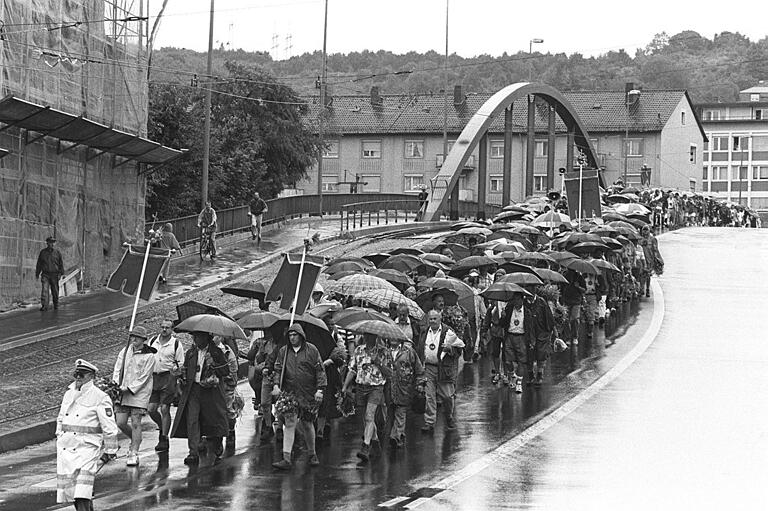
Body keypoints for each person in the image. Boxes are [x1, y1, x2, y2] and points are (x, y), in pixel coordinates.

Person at [56, 359, 118, 511]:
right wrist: (59, 435)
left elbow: (109, 426)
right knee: (75, 493)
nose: (78, 377)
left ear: (91, 376)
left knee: (82, 492)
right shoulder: (69, 393)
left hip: (86, 449)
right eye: (76, 374)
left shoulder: (100, 397)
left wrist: (110, 450)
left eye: (82, 374)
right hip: (67, 450)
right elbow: (61, 416)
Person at [271, 324, 326, 470]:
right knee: (290, 423)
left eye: (295, 335)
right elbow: (277, 369)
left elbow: (320, 370)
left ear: (301, 335)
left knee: (307, 424)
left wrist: (320, 389)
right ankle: (286, 458)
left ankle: (312, 454)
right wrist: (276, 385)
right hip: (290, 393)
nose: (292, 337)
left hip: (308, 393)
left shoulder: (312, 350)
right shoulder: (284, 351)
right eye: (290, 335)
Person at [171, 331, 230, 466]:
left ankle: (217, 444)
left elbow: (225, 371)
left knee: (213, 419)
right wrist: (181, 374)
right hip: (194, 390)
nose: (196, 339)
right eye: (194, 337)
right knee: (192, 420)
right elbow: (186, 370)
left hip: (210, 391)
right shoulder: (191, 353)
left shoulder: (216, 352)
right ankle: (193, 452)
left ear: (206, 338)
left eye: (198, 337)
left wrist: (213, 363)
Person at [342, 332, 393, 462]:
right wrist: (345, 386)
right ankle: (375, 441)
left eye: (371, 335)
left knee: (369, 416)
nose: (368, 338)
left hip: (376, 387)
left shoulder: (384, 352)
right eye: (366, 335)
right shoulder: (359, 350)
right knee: (364, 418)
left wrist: (378, 362)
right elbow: (352, 369)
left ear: (377, 337)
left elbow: (390, 373)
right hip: (360, 386)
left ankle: (365, 446)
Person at [112, 326, 156, 466]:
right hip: (122, 394)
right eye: (132, 337)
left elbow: (145, 377)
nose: (134, 340)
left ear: (143, 340)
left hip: (138, 394)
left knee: (136, 421)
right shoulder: (124, 352)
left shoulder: (149, 356)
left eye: (137, 337)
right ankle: (135, 439)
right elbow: (117, 369)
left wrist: (130, 388)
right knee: (120, 422)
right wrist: (115, 386)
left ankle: (134, 452)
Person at [416, 310, 464, 432]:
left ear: (440, 319)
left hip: (444, 369)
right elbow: (420, 348)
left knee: (447, 396)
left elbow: (459, 350)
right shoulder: (425, 331)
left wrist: (450, 349)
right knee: (429, 396)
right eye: (430, 319)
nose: (432, 321)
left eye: (434, 319)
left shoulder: (448, 331)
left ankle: (448, 416)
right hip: (428, 368)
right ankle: (429, 422)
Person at [147, 320, 184, 452]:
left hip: (168, 378)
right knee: (151, 409)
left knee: (164, 408)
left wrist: (176, 371)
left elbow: (180, 363)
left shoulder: (175, 344)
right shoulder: (152, 341)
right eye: (162, 327)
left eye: (167, 328)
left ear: (172, 330)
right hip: (153, 378)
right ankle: (162, 426)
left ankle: (164, 438)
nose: (164, 330)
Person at [387, 332, 424, 449]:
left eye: (395, 336)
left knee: (400, 412)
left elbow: (419, 369)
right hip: (388, 388)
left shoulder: (409, 352)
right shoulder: (384, 351)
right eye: (391, 336)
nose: (393, 338)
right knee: (390, 413)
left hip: (404, 388)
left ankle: (396, 436)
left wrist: (420, 384)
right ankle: (399, 435)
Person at [523, 289, 556, 386]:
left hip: (541, 331)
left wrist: (554, 330)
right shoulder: (523, 303)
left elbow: (549, 317)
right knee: (528, 353)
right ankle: (530, 375)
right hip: (528, 331)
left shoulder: (541, 302)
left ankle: (540, 374)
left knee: (541, 353)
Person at [213, 336, 240, 452]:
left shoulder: (228, 353)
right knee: (214, 413)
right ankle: (216, 439)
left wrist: (220, 373)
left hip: (226, 387)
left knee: (228, 410)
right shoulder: (208, 351)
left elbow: (233, 373)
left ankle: (231, 432)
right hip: (212, 387)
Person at [500, 293, 529, 393]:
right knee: (508, 361)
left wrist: (531, 340)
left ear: (522, 300)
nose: (516, 302)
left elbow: (531, 326)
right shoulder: (508, 310)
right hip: (510, 337)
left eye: (518, 299)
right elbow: (502, 324)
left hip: (521, 337)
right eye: (514, 299)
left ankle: (519, 384)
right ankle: (512, 375)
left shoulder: (527, 312)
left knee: (521, 361)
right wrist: (503, 317)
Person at [35, 236, 64, 311]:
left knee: (55, 290)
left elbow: (61, 264)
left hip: (54, 274)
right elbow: (39, 263)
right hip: (45, 274)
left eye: (53, 242)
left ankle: (56, 304)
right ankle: (45, 306)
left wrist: (61, 273)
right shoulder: (43, 252)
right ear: (47, 243)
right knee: (45, 290)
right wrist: (37, 273)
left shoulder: (57, 252)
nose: (52, 244)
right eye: (51, 242)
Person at [562, 268, 587, 346]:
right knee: (565, 320)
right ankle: (568, 337)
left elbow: (584, 290)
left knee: (575, 319)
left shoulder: (579, 277)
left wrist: (578, 286)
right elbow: (561, 289)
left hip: (576, 301)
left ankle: (575, 337)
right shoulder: (564, 276)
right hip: (566, 300)